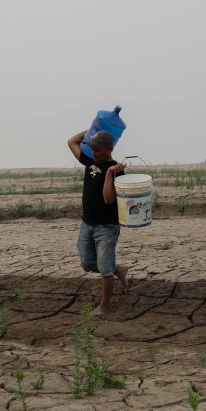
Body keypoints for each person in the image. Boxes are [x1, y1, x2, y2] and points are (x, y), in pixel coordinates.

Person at [66, 130, 130, 316]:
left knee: (104, 269)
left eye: (98, 150)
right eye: (92, 149)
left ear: (109, 148)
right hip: (87, 223)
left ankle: (104, 305)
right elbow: (71, 141)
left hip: (107, 226)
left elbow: (108, 199)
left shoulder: (117, 170)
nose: (94, 153)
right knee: (87, 264)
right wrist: (93, 128)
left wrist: (110, 173)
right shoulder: (89, 160)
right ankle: (119, 270)